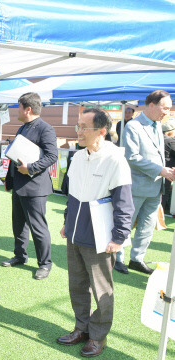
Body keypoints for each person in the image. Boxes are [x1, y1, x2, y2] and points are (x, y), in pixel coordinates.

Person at [57, 108, 134, 357]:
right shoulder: (78, 157)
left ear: (101, 132)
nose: (78, 131)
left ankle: (98, 336)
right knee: (77, 285)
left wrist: (119, 237)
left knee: (102, 289)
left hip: (101, 237)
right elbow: (71, 196)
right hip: (75, 233)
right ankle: (81, 328)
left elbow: (124, 203)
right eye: (78, 126)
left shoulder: (115, 159)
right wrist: (67, 222)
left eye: (83, 127)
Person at [115, 90, 174, 275]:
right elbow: (132, 157)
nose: (167, 112)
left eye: (169, 109)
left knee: (147, 227)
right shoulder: (133, 126)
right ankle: (118, 258)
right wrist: (161, 170)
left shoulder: (157, 125)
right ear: (151, 105)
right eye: (164, 108)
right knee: (125, 224)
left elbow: (158, 155)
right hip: (136, 186)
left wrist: (166, 171)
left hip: (156, 188)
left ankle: (136, 259)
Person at [2, 92, 58, 280]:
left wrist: (31, 168)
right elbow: (14, 157)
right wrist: (9, 181)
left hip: (35, 187)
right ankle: (20, 256)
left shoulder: (45, 129)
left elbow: (52, 156)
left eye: (18, 107)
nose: (16, 111)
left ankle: (45, 264)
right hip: (19, 186)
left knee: (38, 227)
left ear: (27, 109)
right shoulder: (23, 128)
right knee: (18, 225)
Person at [162, 119, 175, 214]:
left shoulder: (158, 139)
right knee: (164, 193)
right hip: (167, 171)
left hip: (156, 170)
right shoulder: (170, 141)